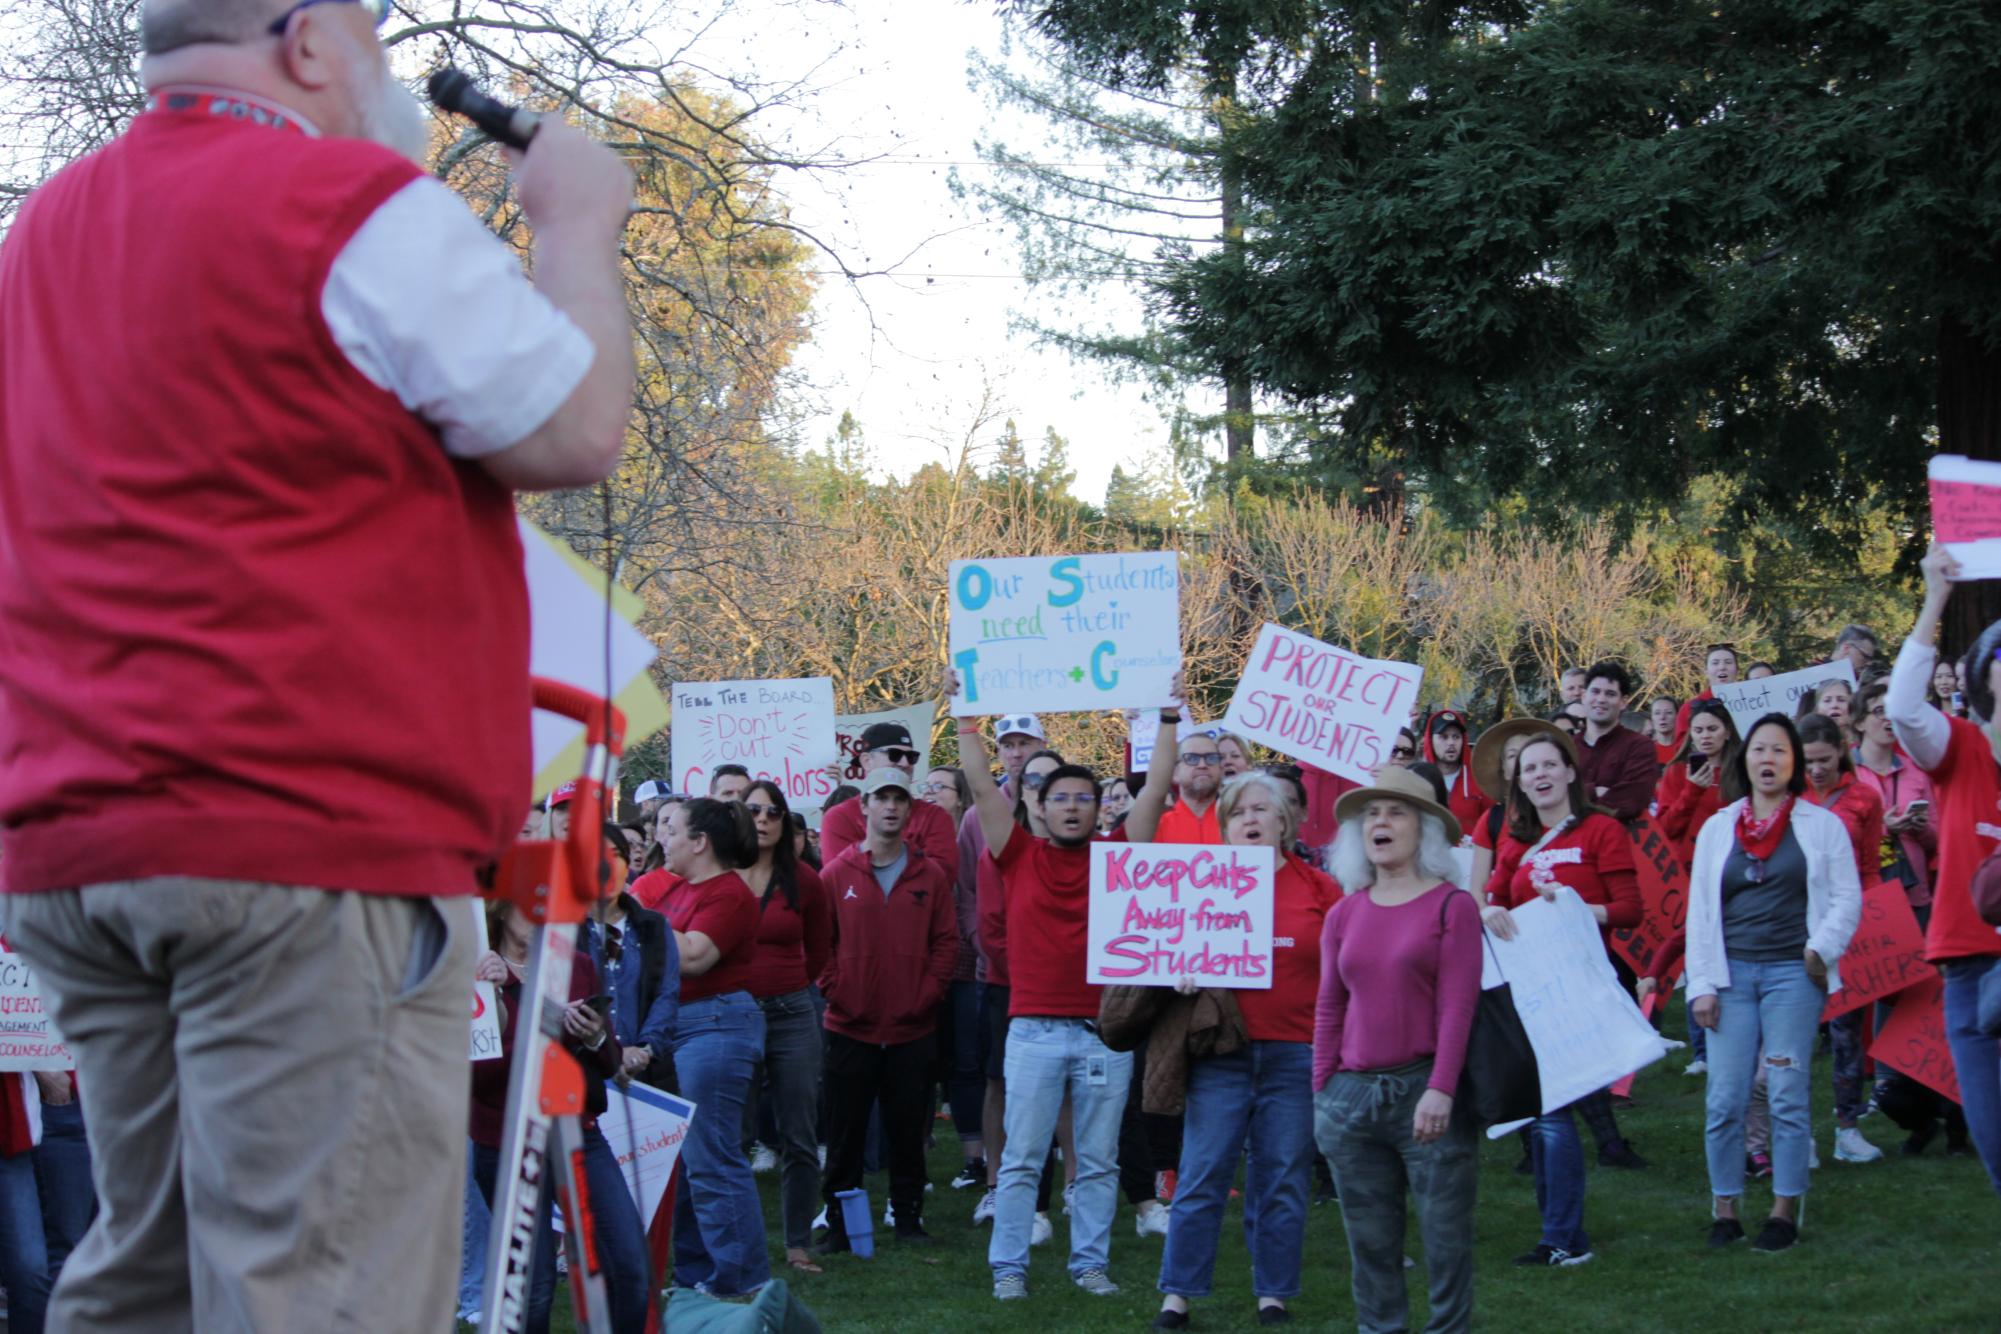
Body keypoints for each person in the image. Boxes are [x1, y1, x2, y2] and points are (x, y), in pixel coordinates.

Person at [0, 0, 637, 1320]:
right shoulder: (338, 198)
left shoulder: (40, 235)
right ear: (307, 40)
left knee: (153, 1280)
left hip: (85, 840)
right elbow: (571, 426)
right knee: (318, 1292)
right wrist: (573, 225)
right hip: (304, 843)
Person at [951, 670, 1130, 1303]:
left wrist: (1165, 720)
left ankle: (1089, 1264)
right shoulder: (1017, 853)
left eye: (1085, 796)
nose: (1074, 805)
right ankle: (1009, 1267)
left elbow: (1157, 790)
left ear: (1097, 805)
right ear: (1039, 805)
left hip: (1104, 1036)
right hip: (1031, 1033)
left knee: (1100, 1160)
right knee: (1023, 1158)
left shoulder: (1119, 857)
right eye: (1061, 797)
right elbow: (978, 782)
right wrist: (965, 715)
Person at [1142, 769, 1341, 1330]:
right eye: (1238, 811)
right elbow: (1160, 944)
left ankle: (1273, 1294)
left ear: (1285, 821)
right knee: (1202, 1174)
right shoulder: (1198, 883)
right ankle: (1177, 1295)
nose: (1250, 819)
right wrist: (1175, 973)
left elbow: (1345, 971)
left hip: (1296, 1054)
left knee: (1281, 1177)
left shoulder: (1321, 889)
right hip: (1223, 1052)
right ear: (1225, 826)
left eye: (1262, 809)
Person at [1686, 713, 1863, 1250]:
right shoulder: (1718, 828)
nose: (1769, 760)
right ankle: (1725, 1209)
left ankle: (1784, 1210)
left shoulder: (1821, 825)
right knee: (1725, 1098)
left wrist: (1819, 950)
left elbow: (1846, 898)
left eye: (1780, 752)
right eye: (1760, 750)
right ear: (1745, 759)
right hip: (1731, 975)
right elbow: (1699, 913)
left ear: (1795, 765)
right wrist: (1702, 986)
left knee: (1786, 1092)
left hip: (1792, 975)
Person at [1314, 767, 1481, 1331]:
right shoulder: (1344, 912)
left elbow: (1459, 1006)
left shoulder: (1450, 906)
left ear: (1425, 829)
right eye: (1372, 815)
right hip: (1351, 1101)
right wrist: (1323, 1094)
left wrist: (1441, 1089)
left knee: (1446, 1242)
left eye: (1396, 812)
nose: (1380, 823)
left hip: (1426, 1095)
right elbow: (1329, 1006)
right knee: (1371, 1249)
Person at [1483, 731, 1645, 1264]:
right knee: (1544, 1113)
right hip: (1532, 991)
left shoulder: (1601, 830)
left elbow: (1628, 909)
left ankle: (1563, 1236)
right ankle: (1560, 1235)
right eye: (1529, 769)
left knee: (1553, 1111)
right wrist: (1488, 912)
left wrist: (1573, 905)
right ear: (1520, 783)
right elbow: (1495, 904)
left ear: (1571, 773)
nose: (1540, 775)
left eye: (1550, 764)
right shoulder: (1513, 843)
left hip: (1582, 984)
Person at [472, 898, 647, 1334]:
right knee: (534, 1291)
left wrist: (590, 1038)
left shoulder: (577, 966)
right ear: (500, 910)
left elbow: (608, 1062)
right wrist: (549, 1031)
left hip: (579, 1131)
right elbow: (479, 1072)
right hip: (509, 1141)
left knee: (629, 1267)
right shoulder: (479, 971)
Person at [1884, 544, 2001, 1195]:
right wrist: (1935, 598)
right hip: (1970, 969)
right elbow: (1902, 708)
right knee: (1995, 1145)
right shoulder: (1959, 748)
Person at [816, 769, 960, 1251]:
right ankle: (838, 1225)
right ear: (865, 807)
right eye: (882, 798)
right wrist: (839, 990)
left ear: (911, 809)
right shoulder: (836, 873)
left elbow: (945, 942)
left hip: (912, 1027)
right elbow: (819, 944)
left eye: (900, 798)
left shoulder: (930, 874)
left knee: (907, 1131)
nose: (891, 807)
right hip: (850, 1025)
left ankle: (908, 1220)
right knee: (845, 1134)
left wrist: (926, 994)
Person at [643, 798, 771, 1296]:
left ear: (700, 842)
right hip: (679, 1030)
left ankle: (741, 1282)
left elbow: (694, 956)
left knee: (713, 1159)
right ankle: (696, 1275)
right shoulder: (677, 890)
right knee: (687, 1164)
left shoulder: (730, 894)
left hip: (715, 1027)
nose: (662, 838)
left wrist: (636, 919)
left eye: (671, 829)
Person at [957, 713, 1052, 1225]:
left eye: (1025, 743)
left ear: (1043, 744)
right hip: (997, 971)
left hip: (1056, 976)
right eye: (1008, 745)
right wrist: (980, 942)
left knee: (1064, 1082)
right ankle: (994, 1182)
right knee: (996, 1078)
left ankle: (1075, 1184)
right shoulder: (979, 816)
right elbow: (969, 891)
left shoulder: (1066, 803)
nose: (1016, 753)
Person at [736, 781, 832, 1273]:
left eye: (774, 811)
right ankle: (736, 1246)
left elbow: (820, 948)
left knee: (799, 1131)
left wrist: (792, 986)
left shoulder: (806, 881)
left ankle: (797, 1243)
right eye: (753, 809)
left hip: (792, 1013)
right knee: (736, 1134)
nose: (764, 819)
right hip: (732, 1015)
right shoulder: (722, 876)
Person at [1798, 714, 1886, 1165]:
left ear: (1842, 751)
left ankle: (1847, 1127)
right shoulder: (1787, 797)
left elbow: (1869, 867)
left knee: (1848, 1033)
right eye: (1808, 761)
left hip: (1847, 925)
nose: (1815, 769)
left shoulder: (1865, 798)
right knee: (1794, 1037)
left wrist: (1871, 919)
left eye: (1824, 760)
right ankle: (1798, 1134)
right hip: (1795, 926)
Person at [918, 763, 988, 1185]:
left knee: (966, 1064)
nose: (930, 793)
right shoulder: (913, 838)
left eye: (939, 787)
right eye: (925, 787)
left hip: (966, 966)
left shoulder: (975, 836)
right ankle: (916, 1155)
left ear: (960, 795)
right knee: (920, 1063)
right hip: (923, 966)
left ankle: (974, 1157)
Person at [822, 721, 958, 879]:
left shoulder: (935, 817)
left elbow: (941, 880)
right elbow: (841, 883)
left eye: (911, 757)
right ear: (866, 761)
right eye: (895, 755)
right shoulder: (840, 818)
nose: (905, 763)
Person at [1851, 680, 1936, 920]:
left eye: (1892, 711)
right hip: (1866, 899)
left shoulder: (1916, 772)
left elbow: (1937, 839)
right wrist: (1884, 828)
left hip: (1915, 894)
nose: (1888, 718)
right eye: (1879, 711)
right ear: (1859, 722)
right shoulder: (1845, 774)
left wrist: (1921, 829)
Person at [1655, 700, 1740, 867]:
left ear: (1727, 732)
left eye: (1712, 729)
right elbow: (1665, 829)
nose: (1705, 736)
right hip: (1690, 867)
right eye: (1698, 730)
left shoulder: (1743, 770)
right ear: (1691, 735)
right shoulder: (1677, 771)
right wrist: (1691, 791)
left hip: (1731, 863)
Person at [1572, 661, 1659, 822]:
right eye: (1595, 691)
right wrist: (1595, 791)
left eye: (1610, 694)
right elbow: (1554, 798)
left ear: (1623, 702)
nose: (1601, 699)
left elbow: (1632, 802)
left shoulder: (1640, 747)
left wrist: (1577, 796)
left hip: (1618, 842)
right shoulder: (1566, 747)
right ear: (1584, 696)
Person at [1422, 709, 1491, 839]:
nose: (1451, 743)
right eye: (1443, 736)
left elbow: (1492, 828)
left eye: (1456, 736)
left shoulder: (1479, 780)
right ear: (1430, 740)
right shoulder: (1418, 779)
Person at [1156, 730, 1226, 843]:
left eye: (1211, 758)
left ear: (1221, 769)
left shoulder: (1238, 822)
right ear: (1175, 773)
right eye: (1192, 758)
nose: (1202, 765)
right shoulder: (1155, 826)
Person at [1673, 644, 1742, 743]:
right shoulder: (1689, 709)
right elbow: (1682, 750)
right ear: (1706, 671)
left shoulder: (1753, 703)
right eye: (1715, 663)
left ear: (1737, 670)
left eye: (1728, 662)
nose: (1722, 667)